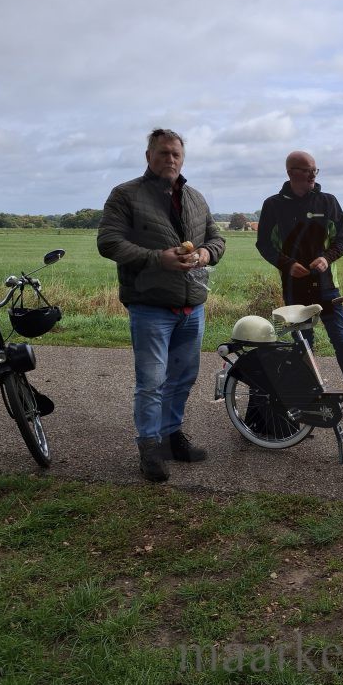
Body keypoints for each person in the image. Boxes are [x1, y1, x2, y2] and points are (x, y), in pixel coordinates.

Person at [97, 128, 226, 483]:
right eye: (163, 153)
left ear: (182, 159)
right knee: (151, 382)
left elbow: (217, 239)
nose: (170, 159)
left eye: (176, 154)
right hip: (150, 306)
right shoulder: (125, 195)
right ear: (148, 156)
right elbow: (108, 242)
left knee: (182, 379)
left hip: (192, 306)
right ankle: (149, 447)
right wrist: (158, 258)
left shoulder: (196, 198)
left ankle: (171, 436)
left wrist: (204, 253)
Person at [255, 150, 343, 421]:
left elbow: (342, 239)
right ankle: (307, 402)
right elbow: (263, 244)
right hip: (294, 289)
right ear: (291, 173)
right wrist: (286, 264)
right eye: (308, 170)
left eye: (315, 170)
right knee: (302, 346)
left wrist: (326, 257)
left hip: (327, 287)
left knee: (342, 341)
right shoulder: (273, 205)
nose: (313, 175)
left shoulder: (328, 202)